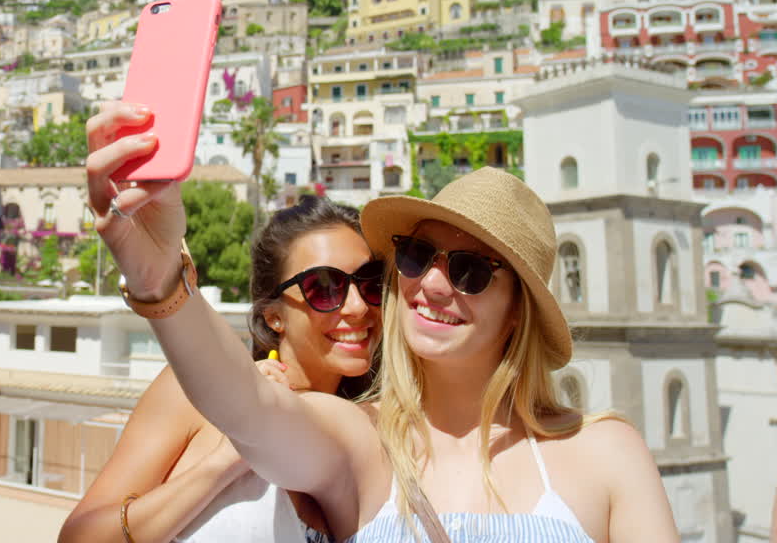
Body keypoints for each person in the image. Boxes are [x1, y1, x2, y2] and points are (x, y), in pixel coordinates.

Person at [86, 100, 680, 543]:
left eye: (471, 270)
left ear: (519, 307)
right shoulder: (363, 440)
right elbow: (246, 408)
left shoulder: (606, 452)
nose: (434, 284)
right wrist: (161, 281)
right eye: (418, 257)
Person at [59, 195, 384, 543]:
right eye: (324, 288)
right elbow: (80, 538)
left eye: (370, 283)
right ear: (274, 316)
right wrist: (221, 465)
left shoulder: (373, 436)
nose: (357, 306)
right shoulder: (192, 397)